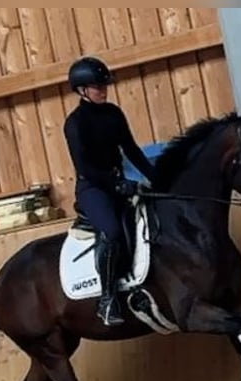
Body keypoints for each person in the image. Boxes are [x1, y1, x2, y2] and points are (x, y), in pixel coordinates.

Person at [63, 56, 157, 327]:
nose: (102, 90)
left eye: (104, 85)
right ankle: (107, 299)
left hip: (118, 182)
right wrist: (119, 185)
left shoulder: (113, 114)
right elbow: (86, 168)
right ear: (81, 90)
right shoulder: (75, 124)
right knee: (113, 232)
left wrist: (157, 177)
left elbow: (131, 150)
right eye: (96, 86)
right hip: (93, 188)